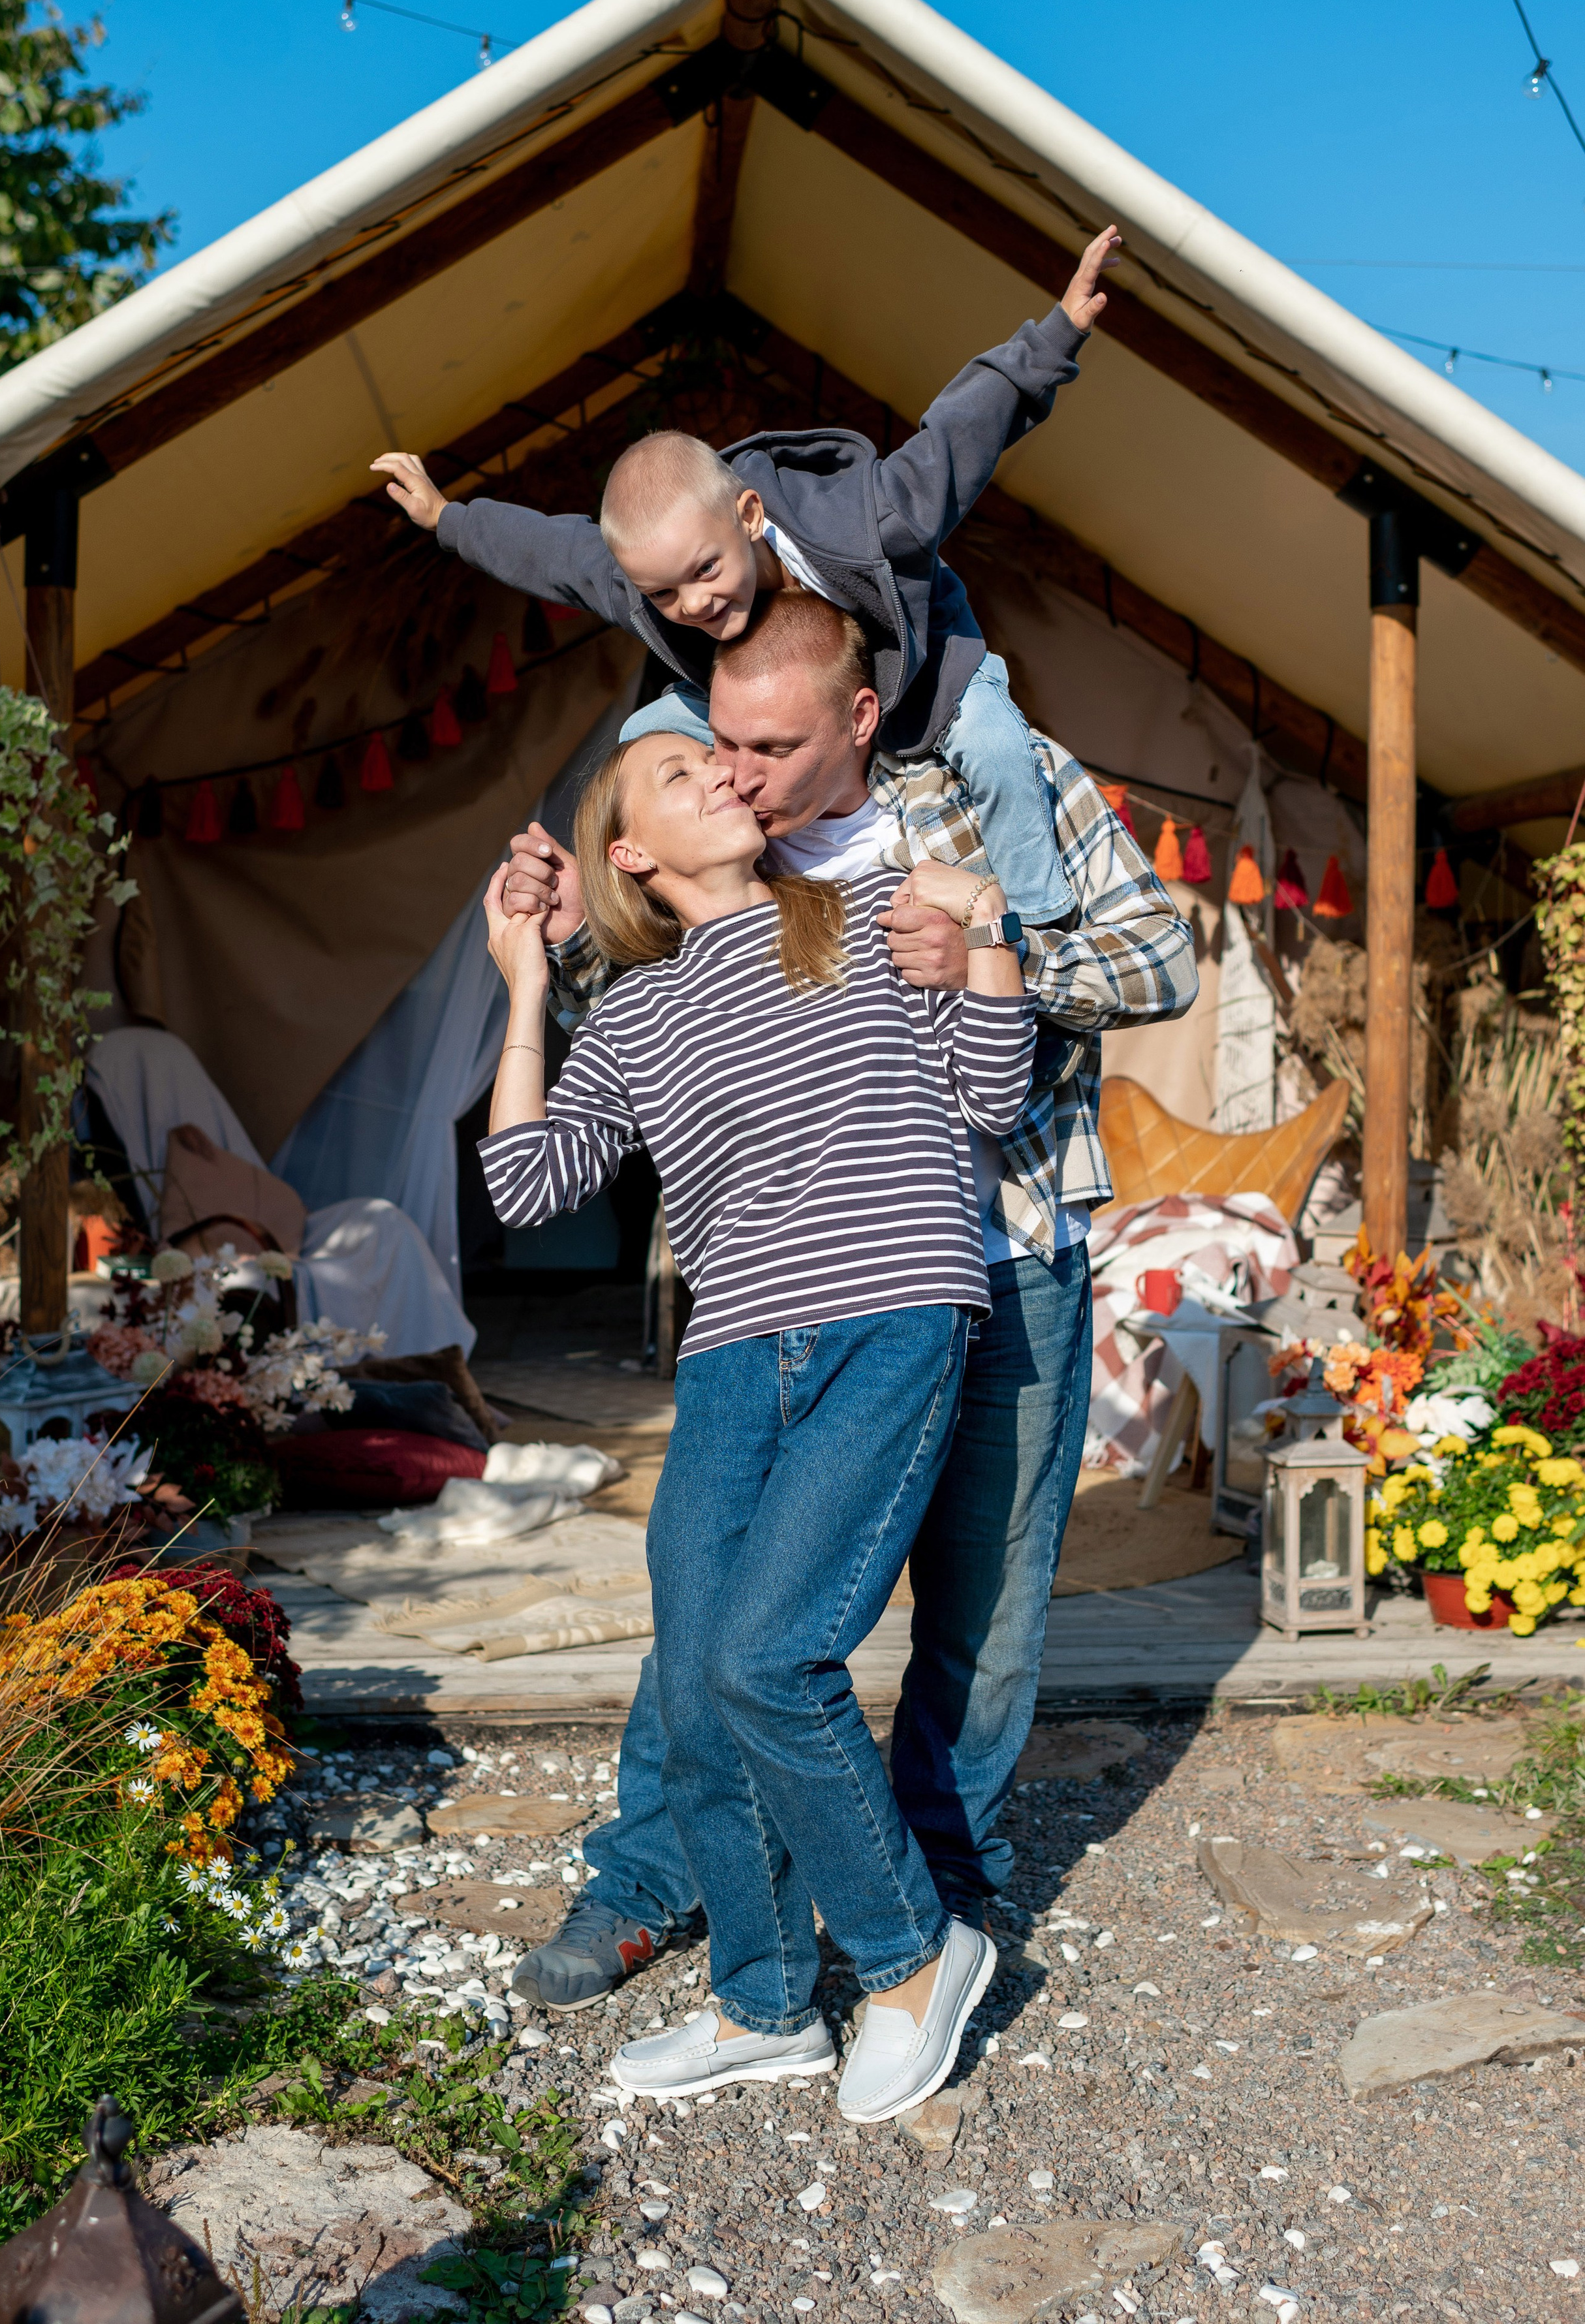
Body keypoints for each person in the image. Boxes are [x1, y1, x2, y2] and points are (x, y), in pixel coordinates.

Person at [495, 591, 1199, 2014]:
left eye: (760, 744)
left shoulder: (983, 799)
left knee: (983, 1607)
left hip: (1001, 1247)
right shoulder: (733, 867)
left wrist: (987, 949)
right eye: (712, 746)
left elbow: (1157, 960)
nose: (736, 768)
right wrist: (567, 945)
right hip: (789, 1286)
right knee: (724, 1608)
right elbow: (657, 1057)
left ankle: (926, 1892)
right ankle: (657, 1873)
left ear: (858, 720)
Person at [475, 675, 1041, 2120]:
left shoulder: (857, 916)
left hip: (891, 1320)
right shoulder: (636, 1010)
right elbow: (525, 1183)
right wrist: (526, 983)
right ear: (630, 857)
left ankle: (917, 1958)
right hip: (735, 1357)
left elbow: (988, 1095)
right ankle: (764, 2003)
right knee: (699, 1669)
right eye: (679, 773)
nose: (722, 774)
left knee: (770, 1655)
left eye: (722, 757)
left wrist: (982, 936)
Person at [372, 224, 1123, 942]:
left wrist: (1055, 336)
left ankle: (1041, 920)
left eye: (705, 570)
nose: (694, 604)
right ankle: (675, 913)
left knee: (995, 744)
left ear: (750, 513)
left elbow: (954, 442)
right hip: (765, 700)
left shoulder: (864, 522)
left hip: (921, 678)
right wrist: (447, 518)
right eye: (666, 595)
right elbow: (549, 551)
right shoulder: (646, 586)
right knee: (640, 740)